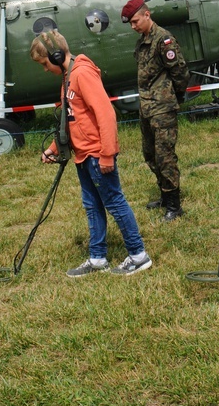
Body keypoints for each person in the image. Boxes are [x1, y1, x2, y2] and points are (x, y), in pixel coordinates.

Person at [30, 30, 152, 277]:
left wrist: (107, 154)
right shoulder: (68, 77)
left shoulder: (82, 73)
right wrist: (53, 148)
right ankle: (97, 258)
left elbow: (106, 114)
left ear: (55, 56)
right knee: (92, 206)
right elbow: (69, 118)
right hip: (82, 156)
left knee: (114, 203)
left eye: (44, 64)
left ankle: (139, 256)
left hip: (97, 155)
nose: (44, 69)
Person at [122, 0, 190, 221]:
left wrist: (174, 96)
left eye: (135, 21)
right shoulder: (142, 41)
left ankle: (174, 205)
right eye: (130, 23)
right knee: (149, 154)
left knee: (165, 157)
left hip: (162, 107)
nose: (133, 26)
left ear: (147, 15)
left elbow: (179, 71)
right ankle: (164, 194)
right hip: (147, 106)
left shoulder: (164, 40)